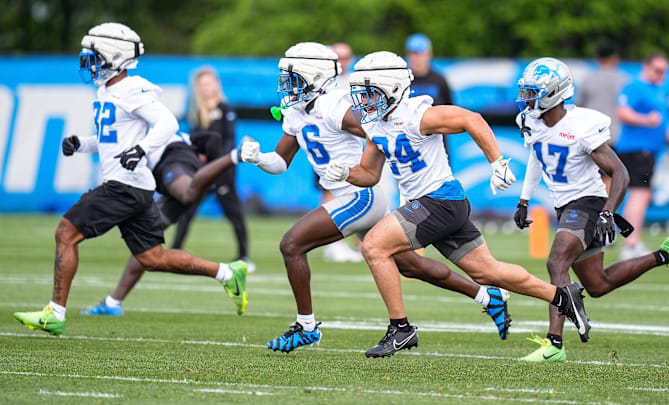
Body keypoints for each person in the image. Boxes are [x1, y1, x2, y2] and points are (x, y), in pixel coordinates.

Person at [242, 42, 510, 353]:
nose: (286, 87)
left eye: (293, 80)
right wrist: (258, 158)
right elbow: (280, 162)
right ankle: (486, 296)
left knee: (291, 244)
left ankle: (307, 326)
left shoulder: (335, 107)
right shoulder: (297, 112)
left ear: (313, 78)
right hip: (347, 198)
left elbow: (378, 130)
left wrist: (355, 166)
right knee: (411, 266)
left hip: (362, 195)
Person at [325, 51, 591, 358]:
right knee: (488, 272)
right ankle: (562, 296)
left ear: (393, 89)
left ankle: (400, 328)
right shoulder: (375, 123)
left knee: (373, 246)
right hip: (440, 204)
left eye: (370, 93)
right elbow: (369, 174)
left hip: (437, 200)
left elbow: (470, 118)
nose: (365, 102)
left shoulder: (416, 114)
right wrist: (346, 173)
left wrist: (497, 162)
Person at [12, 22, 247, 335]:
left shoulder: (130, 89)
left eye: (94, 56)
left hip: (123, 185)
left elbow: (164, 123)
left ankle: (55, 312)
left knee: (66, 233)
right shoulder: (106, 90)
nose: (89, 62)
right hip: (137, 187)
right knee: (153, 258)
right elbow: (109, 140)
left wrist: (142, 148)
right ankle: (226, 273)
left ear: (115, 56)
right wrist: (81, 144)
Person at [512, 57, 669, 363]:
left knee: (556, 261)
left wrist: (606, 212)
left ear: (554, 93)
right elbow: (537, 155)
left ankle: (554, 345)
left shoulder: (581, 126)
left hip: (589, 204)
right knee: (598, 284)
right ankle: (666, 254)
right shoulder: (530, 121)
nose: (526, 99)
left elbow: (621, 173)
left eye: (533, 92)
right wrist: (524, 199)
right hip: (566, 206)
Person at [79, 131, 247, 315]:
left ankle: (236, 155)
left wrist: (216, 161)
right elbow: (212, 139)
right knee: (145, 245)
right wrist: (81, 144)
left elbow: (212, 138)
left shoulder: (152, 123)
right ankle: (113, 302)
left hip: (173, 161)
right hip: (172, 175)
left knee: (187, 192)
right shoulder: (150, 125)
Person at [172, 67, 254, 271]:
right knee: (187, 210)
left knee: (233, 212)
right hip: (201, 171)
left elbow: (228, 141)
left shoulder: (226, 109)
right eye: (202, 84)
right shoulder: (196, 112)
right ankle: (174, 252)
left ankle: (244, 256)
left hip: (222, 170)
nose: (205, 88)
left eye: (209, 83)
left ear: (216, 85)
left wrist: (218, 162)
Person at [615, 51, 669, 260]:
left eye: (665, 72)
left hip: (648, 151)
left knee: (642, 195)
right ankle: (631, 243)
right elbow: (622, 113)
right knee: (639, 195)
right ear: (647, 67)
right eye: (658, 70)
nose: (662, 75)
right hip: (636, 150)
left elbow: (661, 122)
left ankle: (632, 241)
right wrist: (645, 120)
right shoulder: (635, 87)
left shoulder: (658, 90)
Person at [321, 42, 363, 263]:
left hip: (353, 146)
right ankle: (333, 243)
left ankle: (360, 244)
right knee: (331, 190)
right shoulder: (324, 82)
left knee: (362, 191)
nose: (341, 62)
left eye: (345, 57)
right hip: (330, 146)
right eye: (337, 57)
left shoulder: (355, 81)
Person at [405, 33, 453, 165]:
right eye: (413, 53)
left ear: (429, 54)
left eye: (420, 53)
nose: (417, 58)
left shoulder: (439, 80)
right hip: (410, 148)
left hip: (437, 146)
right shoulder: (403, 81)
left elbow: (450, 111)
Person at [575, 43, 628, 145]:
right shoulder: (625, 80)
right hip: (617, 137)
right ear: (615, 58)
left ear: (597, 59)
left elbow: (578, 108)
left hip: (592, 136)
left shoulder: (587, 80)